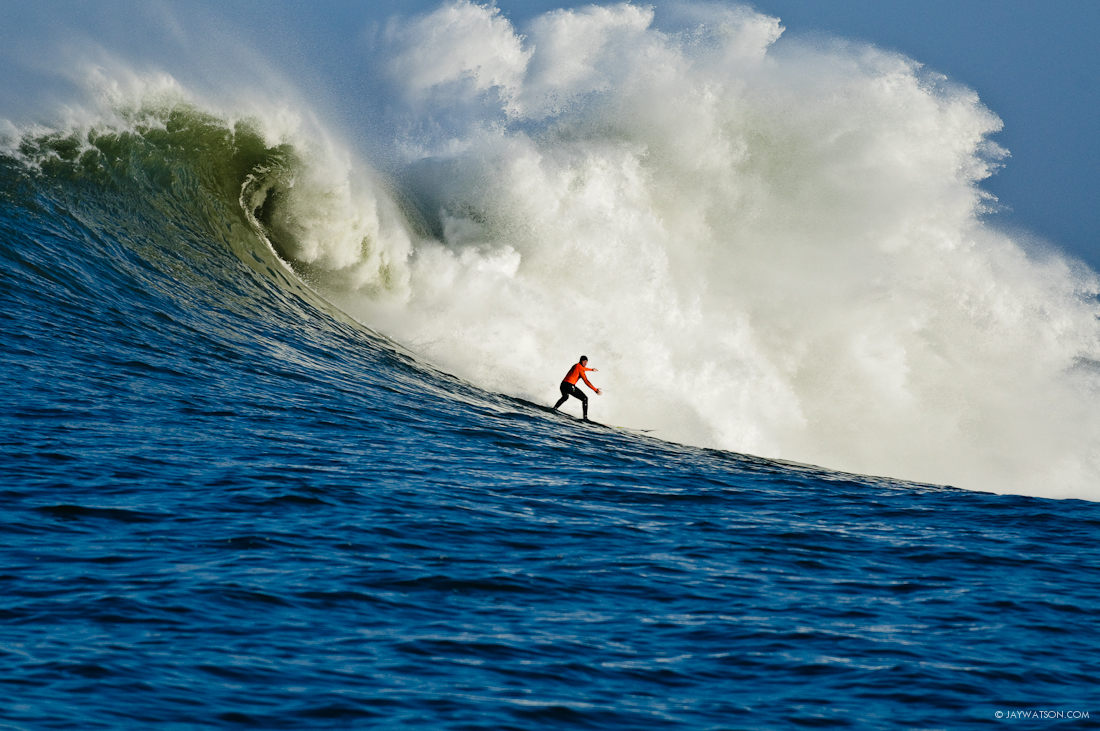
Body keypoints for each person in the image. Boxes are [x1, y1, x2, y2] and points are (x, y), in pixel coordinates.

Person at [553, 355, 601, 420]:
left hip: (563, 385)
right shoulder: (580, 369)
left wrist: (592, 369)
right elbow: (586, 381)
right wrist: (595, 390)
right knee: (585, 398)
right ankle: (585, 418)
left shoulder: (576, 365)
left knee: (565, 397)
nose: (586, 363)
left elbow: (583, 368)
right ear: (581, 361)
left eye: (587, 362)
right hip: (569, 386)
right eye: (584, 361)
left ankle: (554, 409)